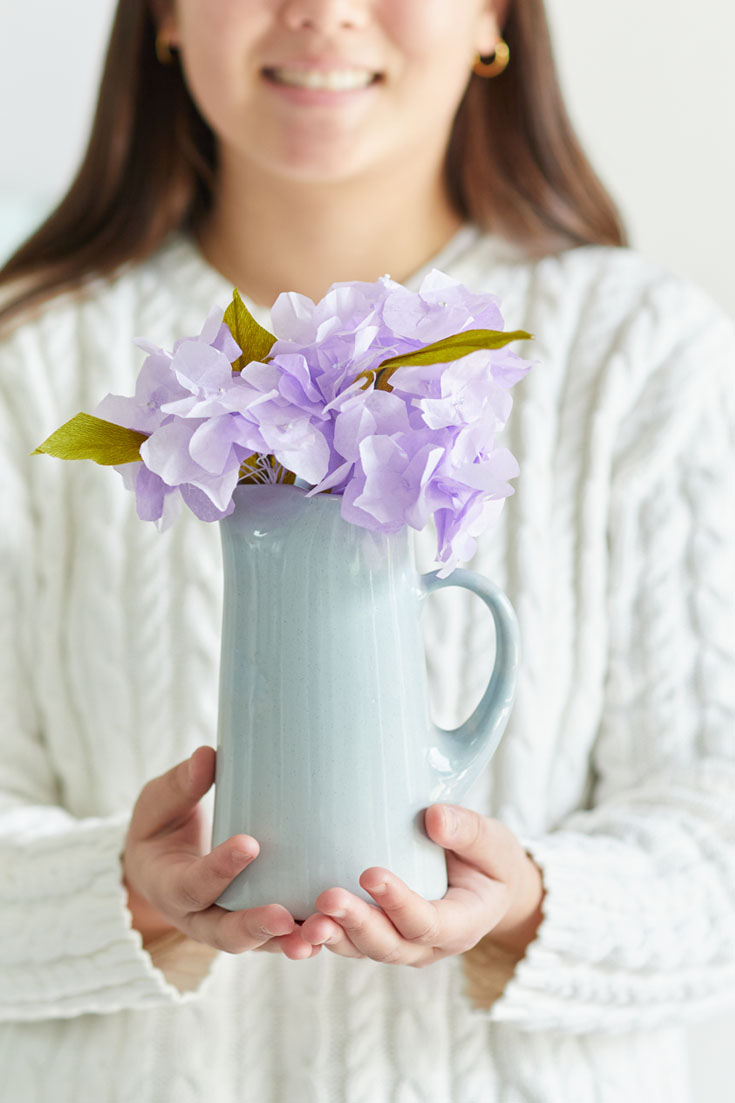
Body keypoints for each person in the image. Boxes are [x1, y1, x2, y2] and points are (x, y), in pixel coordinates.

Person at [1, 1, 733, 1100]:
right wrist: (130, 894)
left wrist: (523, 901)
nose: (323, 12)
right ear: (162, 14)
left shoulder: (636, 352)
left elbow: (713, 832)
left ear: (494, 17)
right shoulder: (32, 359)